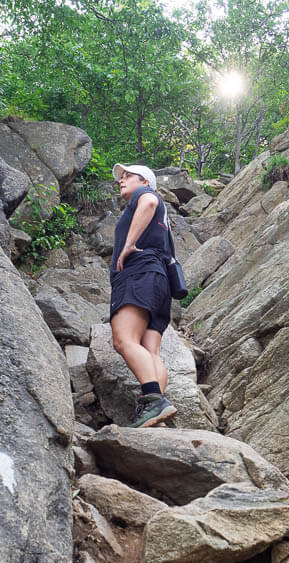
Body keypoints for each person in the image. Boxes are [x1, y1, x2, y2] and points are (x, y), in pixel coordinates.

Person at [109, 163, 178, 428]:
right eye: (121, 177)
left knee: (124, 339)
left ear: (145, 181)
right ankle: (156, 411)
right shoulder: (164, 220)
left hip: (140, 275)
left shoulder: (145, 195)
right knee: (151, 351)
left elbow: (149, 202)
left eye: (128, 176)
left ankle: (153, 402)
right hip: (160, 283)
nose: (121, 180)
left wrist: (128, 244)